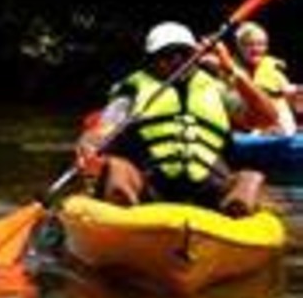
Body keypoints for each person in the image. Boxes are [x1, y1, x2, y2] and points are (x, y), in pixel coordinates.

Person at [75, 21, 265, 217]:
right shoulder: (133, 91)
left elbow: (266, 118)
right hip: (149, 184)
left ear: (196, 56)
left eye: (184, 53)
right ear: (151, 60)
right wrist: (88, 146)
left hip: (211, 186)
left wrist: (233, 71)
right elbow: (102, 130)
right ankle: (123, 221)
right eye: (167, 54)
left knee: (250, 179)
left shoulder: (217, 89)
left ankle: (234, 222)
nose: (177, 59)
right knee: (117, 168)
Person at [231, 22, 296, 135]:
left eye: (261, 44)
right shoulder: (231, 69)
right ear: (239, 47)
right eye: (249, 44)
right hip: (248, 127)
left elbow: (290, 94)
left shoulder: (274, 70)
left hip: (278, 129)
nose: (256, 49)